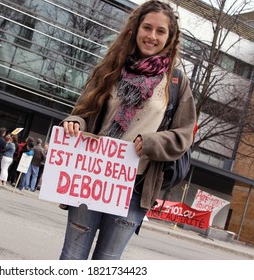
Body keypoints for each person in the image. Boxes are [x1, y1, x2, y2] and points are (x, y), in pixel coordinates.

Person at [58, 0, 196, 260]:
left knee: (107, 263)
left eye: (160, 31)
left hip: (135, 188)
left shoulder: (176, 82)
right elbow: (84, 112)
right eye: (147, 27)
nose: (152, 36)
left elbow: (184, 134)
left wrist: (153, 142)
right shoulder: (111, 68)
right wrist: (76, 122)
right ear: (135, 29)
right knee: (72, 257)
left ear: (170, 37)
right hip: (93, 176)